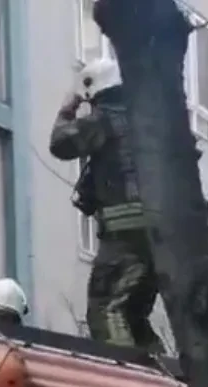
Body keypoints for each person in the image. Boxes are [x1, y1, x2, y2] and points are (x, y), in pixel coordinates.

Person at [49, 57, 164, 353]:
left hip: (124, 236)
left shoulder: (102, 120)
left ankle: (127, 376)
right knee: (133, 313)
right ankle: (160, 372)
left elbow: (60, 143)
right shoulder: (151, 125)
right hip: (161, 238)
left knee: (104, 309)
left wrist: (68, 108)